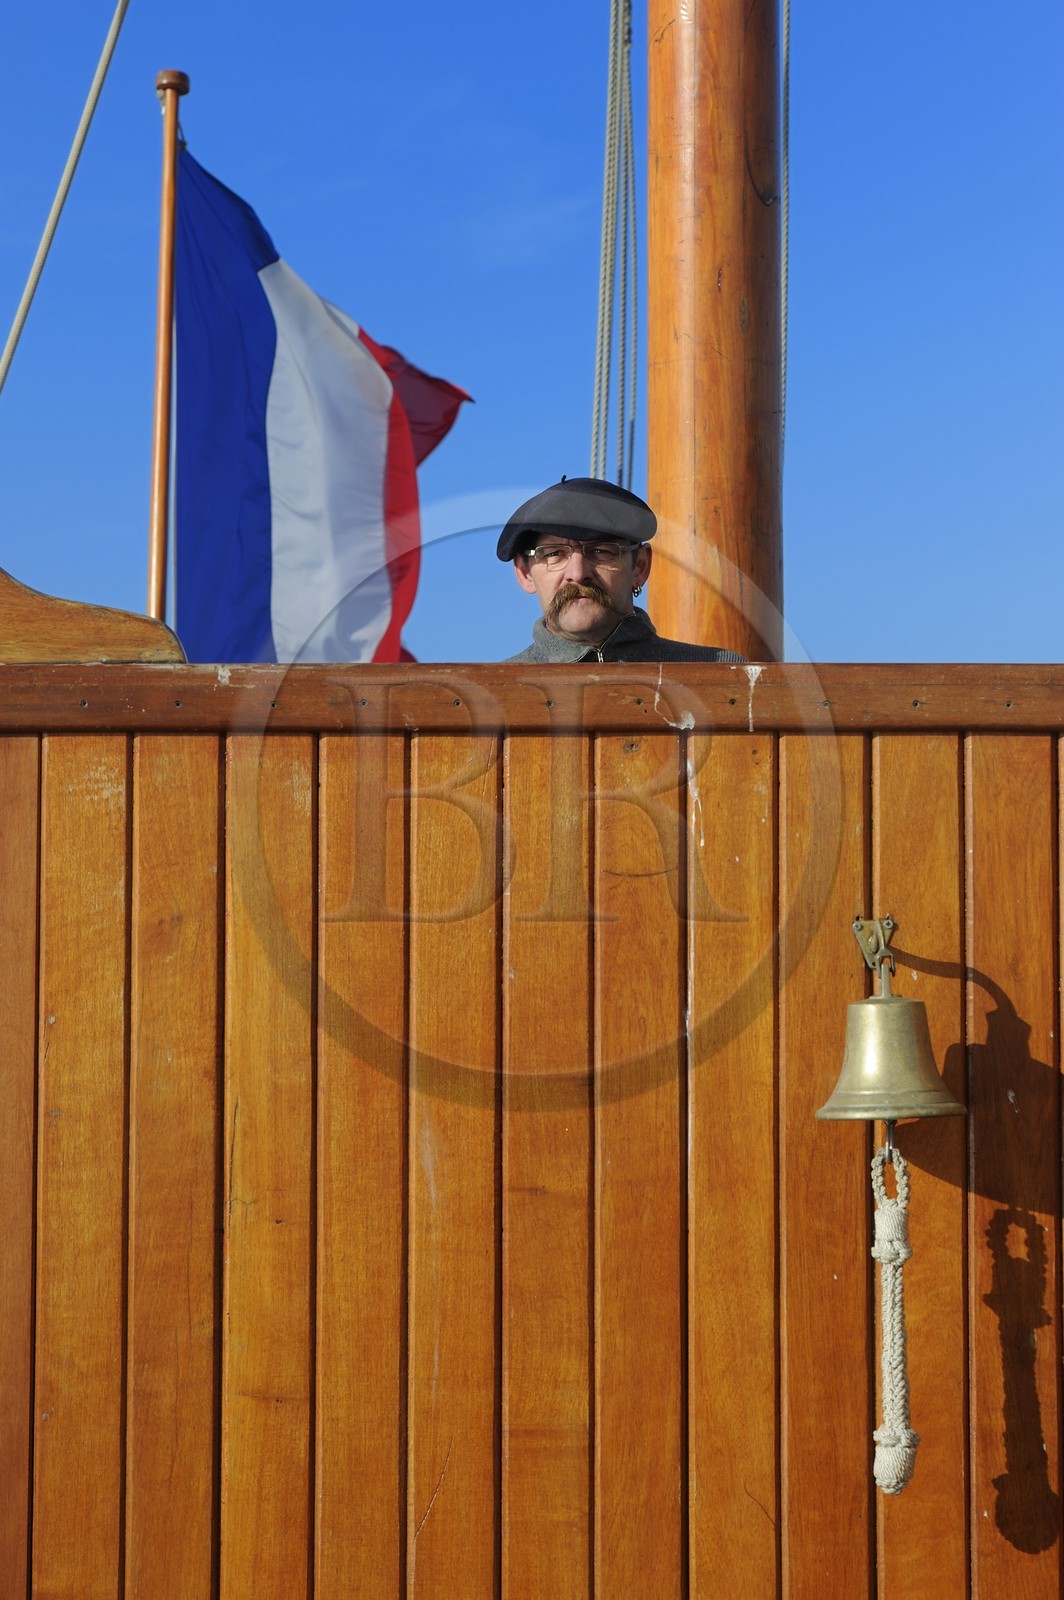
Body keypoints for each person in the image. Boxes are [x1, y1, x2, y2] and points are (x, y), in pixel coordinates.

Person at [498, 477, 744, 663]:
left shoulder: (724, 675)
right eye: (554, 554)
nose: (578, 572)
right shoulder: (489, 694)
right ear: (524, 573)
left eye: (600, 551)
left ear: (640, 566)